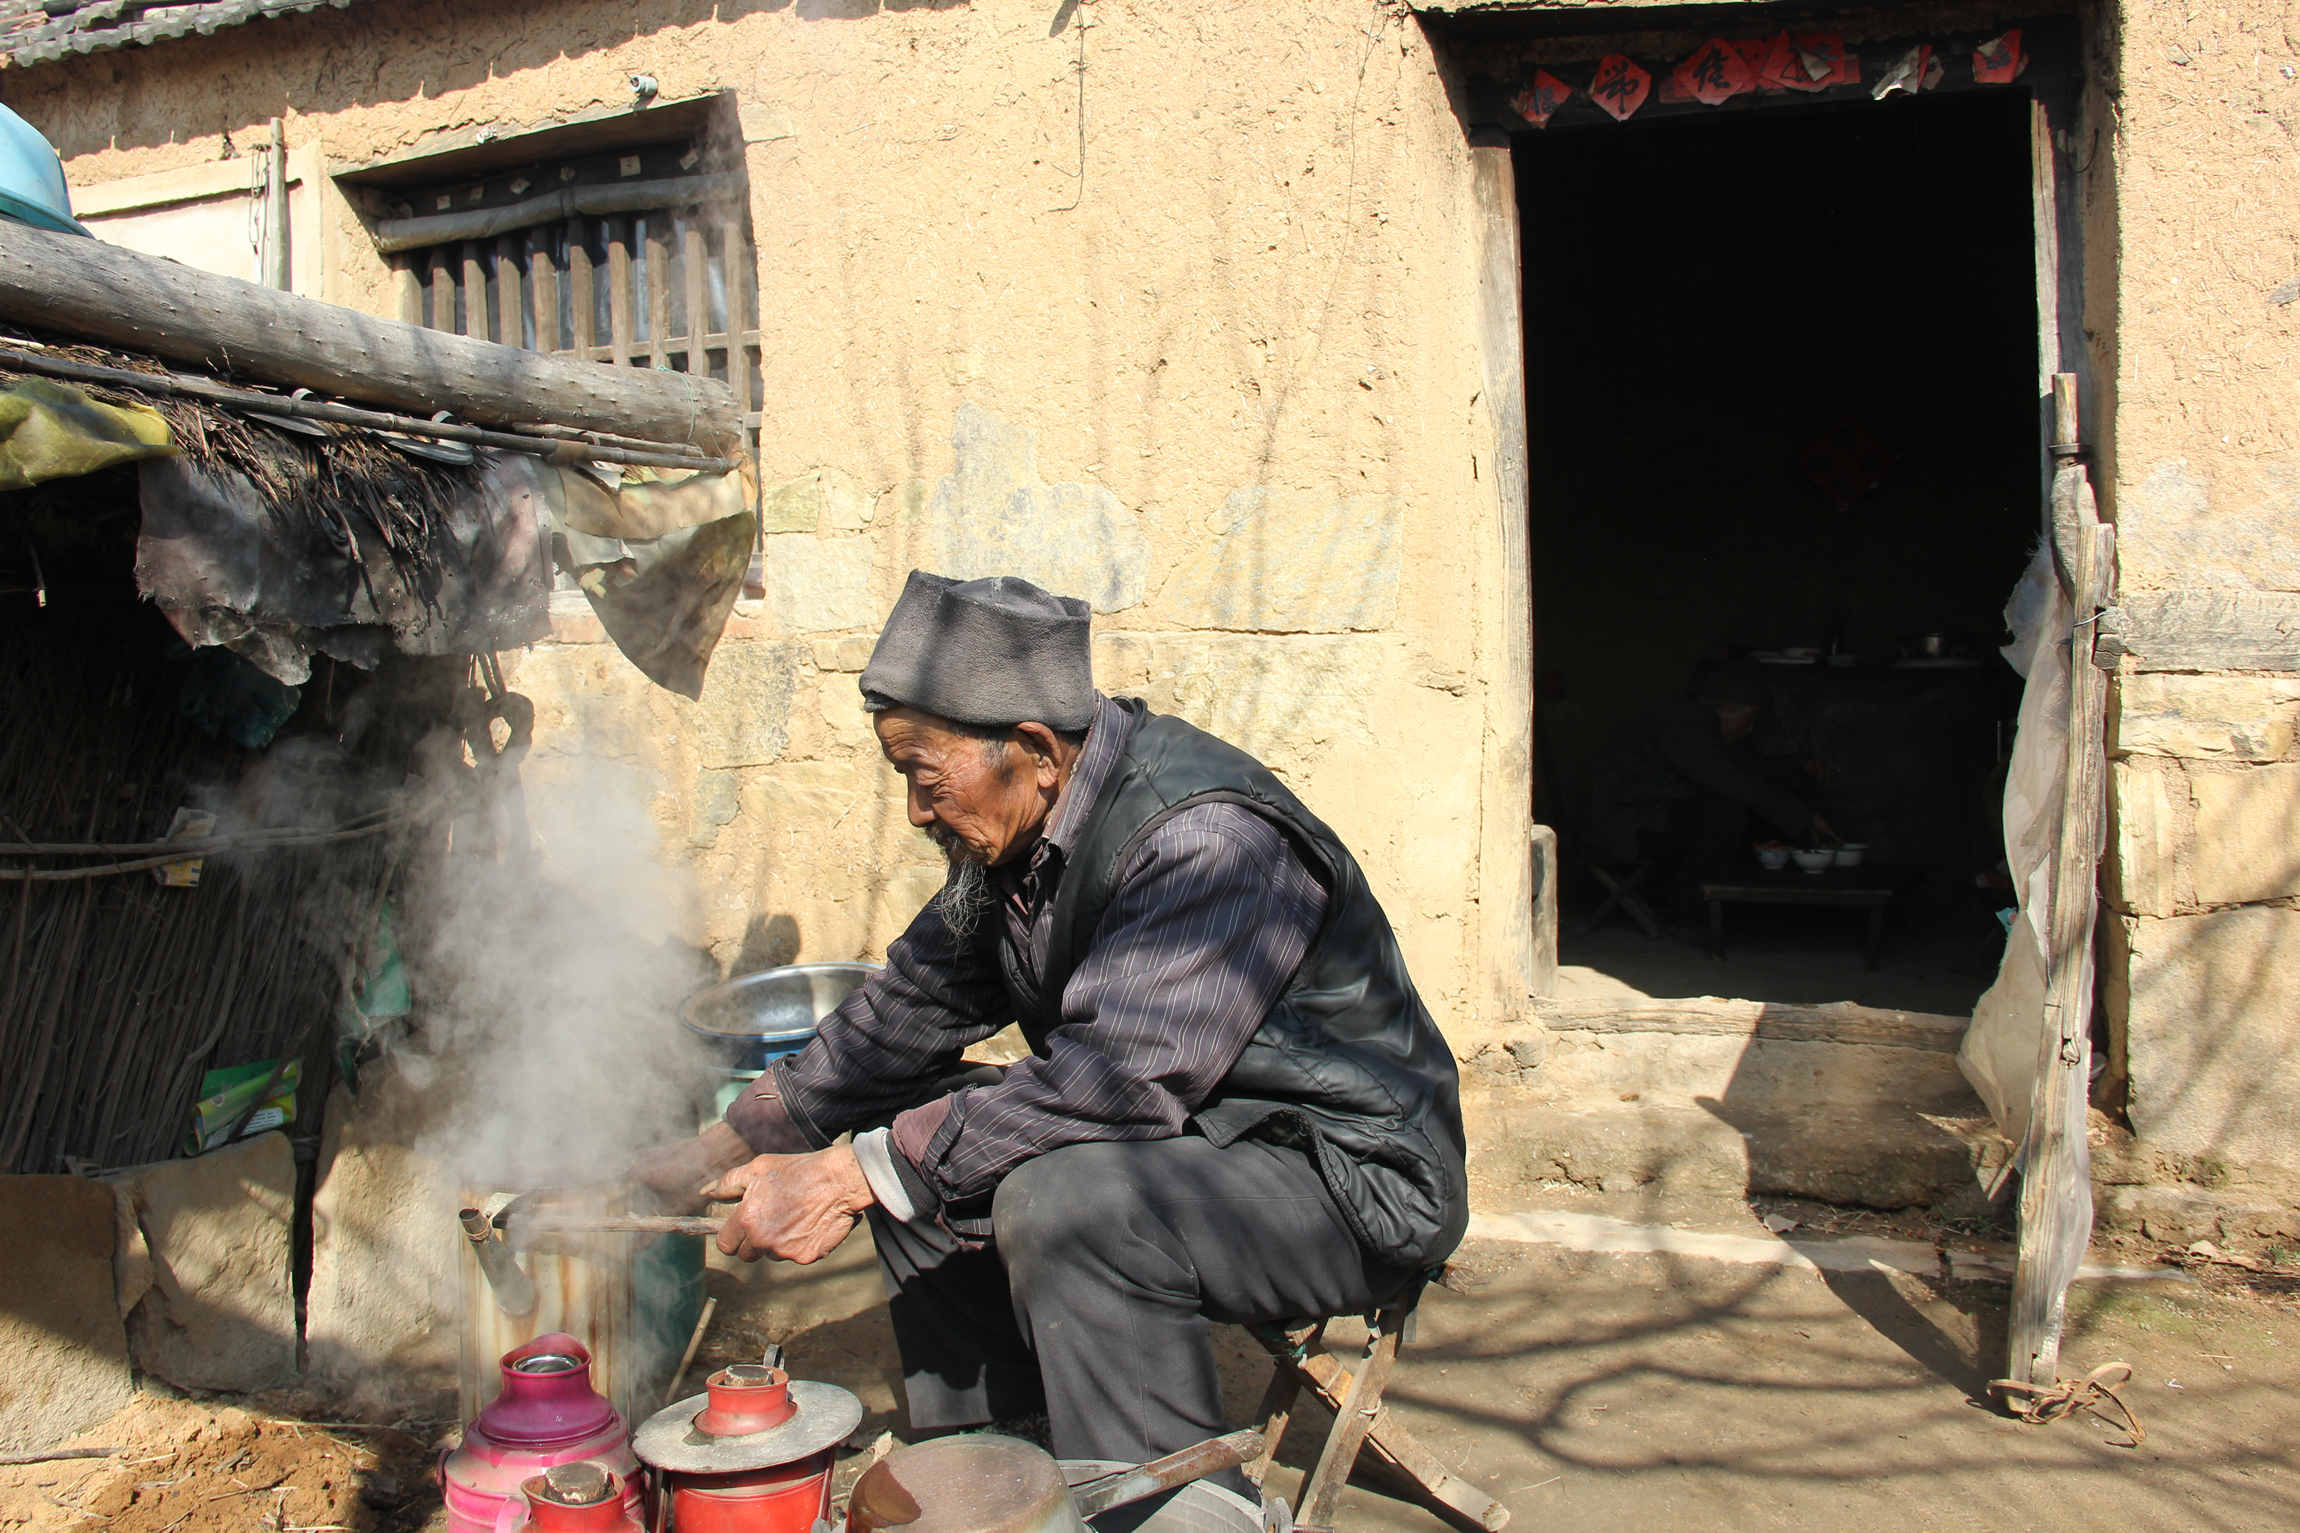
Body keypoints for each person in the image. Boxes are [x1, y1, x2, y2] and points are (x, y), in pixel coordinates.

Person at [632, 570, 1467, 1485]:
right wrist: (720, 1144)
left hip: (1347, 1177)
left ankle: (1162, 1505)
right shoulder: (1015, 839)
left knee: (1063, 1203)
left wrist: (845, 1175)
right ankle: (1001, 1456)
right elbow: (900, 1011)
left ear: (1032, 748)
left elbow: (1110, 1084)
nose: (917, 811)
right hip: (1198, 1142)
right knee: (919, 1119)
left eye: (925, 777)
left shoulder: (1208, 843)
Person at [1584, 665, 1833, 883]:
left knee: (1732, 808)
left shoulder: (1697, 725)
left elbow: (1742, 768)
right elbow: (1728, 780)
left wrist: (1796, 770)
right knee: (1724, 811)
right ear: (1728, 710)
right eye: (1749, 722)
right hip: (1624, 826)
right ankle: (1702, 901)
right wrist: (1802, 817)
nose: (1749, 731)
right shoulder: (1685, 725)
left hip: (1646, 815)